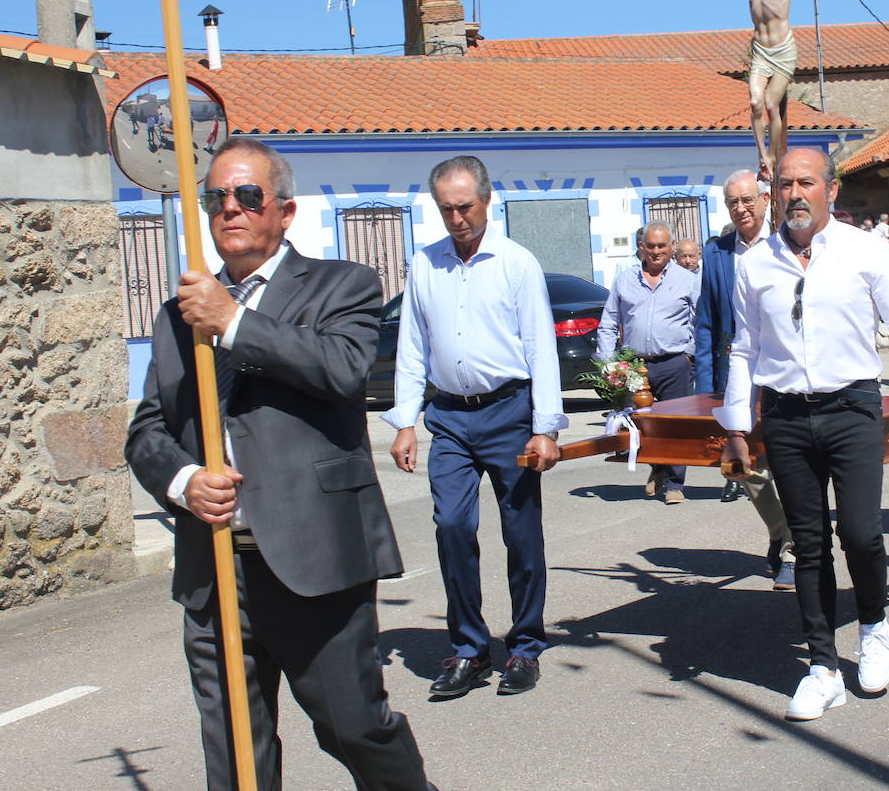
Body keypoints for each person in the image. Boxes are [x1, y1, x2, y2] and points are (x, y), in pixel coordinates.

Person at [125, 139, 433, 790]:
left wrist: (233, 322)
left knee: (351, 725)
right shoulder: (178, 316)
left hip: (313, 552)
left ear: (284, 211)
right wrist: (183, 481)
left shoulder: (342, 284)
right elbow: (148, 430)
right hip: (213, 562)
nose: (230, 209)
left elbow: (342, 368)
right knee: (236, 747)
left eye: (247, 196)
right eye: (217, 198)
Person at [717, 148, 889, 721]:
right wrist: (735, 424)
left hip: (852, 407)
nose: (795, 194)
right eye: (786, 185)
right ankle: (822, 666)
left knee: (860, 532)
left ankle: (874, 629)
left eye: (807, 183)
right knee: (809, 543)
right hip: (784, 414)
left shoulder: (866, 251)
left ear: (831, 190)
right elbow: (744, 348)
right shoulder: (754, 264)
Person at [385, 155, 566, 700]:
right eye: (446, 209)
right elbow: (412, 345)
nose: (457, 218)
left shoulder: (516, 263)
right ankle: (468, 649)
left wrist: (546, 427)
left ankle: (524, 647)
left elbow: (541, 347)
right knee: (453, 528)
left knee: (520, 534)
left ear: (487, 201)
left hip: (510, 414)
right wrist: (404, 421)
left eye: (465, 206)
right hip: (452, 419)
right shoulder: (426, 264)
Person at [685, 0, 868, 180]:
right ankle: (762, 157)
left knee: (772, 105)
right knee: (755, 101)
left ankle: (773, 155)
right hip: (760, 49)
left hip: (783, 50)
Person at [696, 169, 796, 588]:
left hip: (780, 372)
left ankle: (792, 548)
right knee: (748, 467)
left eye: (748, 199)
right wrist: (705, 389)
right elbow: (705, 322)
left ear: (765, 200)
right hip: (733, 374)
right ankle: (781, 530)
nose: (742, 208)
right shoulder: (717, 254)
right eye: (733, 202)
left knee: (787, 463)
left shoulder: (784, 247)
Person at [597, 221, 700, 503]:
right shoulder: (625, 279)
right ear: (641, 247)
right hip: (635, 366)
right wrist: (609, 365)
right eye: (651, 246)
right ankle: (657, 468)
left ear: (672, 248)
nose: (656, 252)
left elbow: (699, 321)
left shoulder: (687, 280)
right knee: (644, 425)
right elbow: (608, 323)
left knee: (675, 425)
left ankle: (675, 485)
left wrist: (689, 354)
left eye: (662, 246)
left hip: (674, 363)